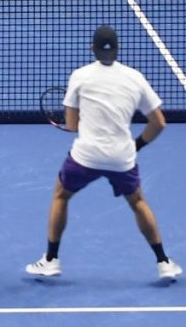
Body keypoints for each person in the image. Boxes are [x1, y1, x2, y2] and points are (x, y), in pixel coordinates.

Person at [25, 25, 180, 281]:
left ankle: (51, 260)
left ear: (92, 49)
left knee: (61, 195)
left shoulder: (80, 76)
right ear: (118, 50)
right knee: (138, 202)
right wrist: (137, 145)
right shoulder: (135, 78)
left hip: (86, 156)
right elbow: (159, 123)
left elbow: (73, 126)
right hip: (122, 158)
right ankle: (163, 262)